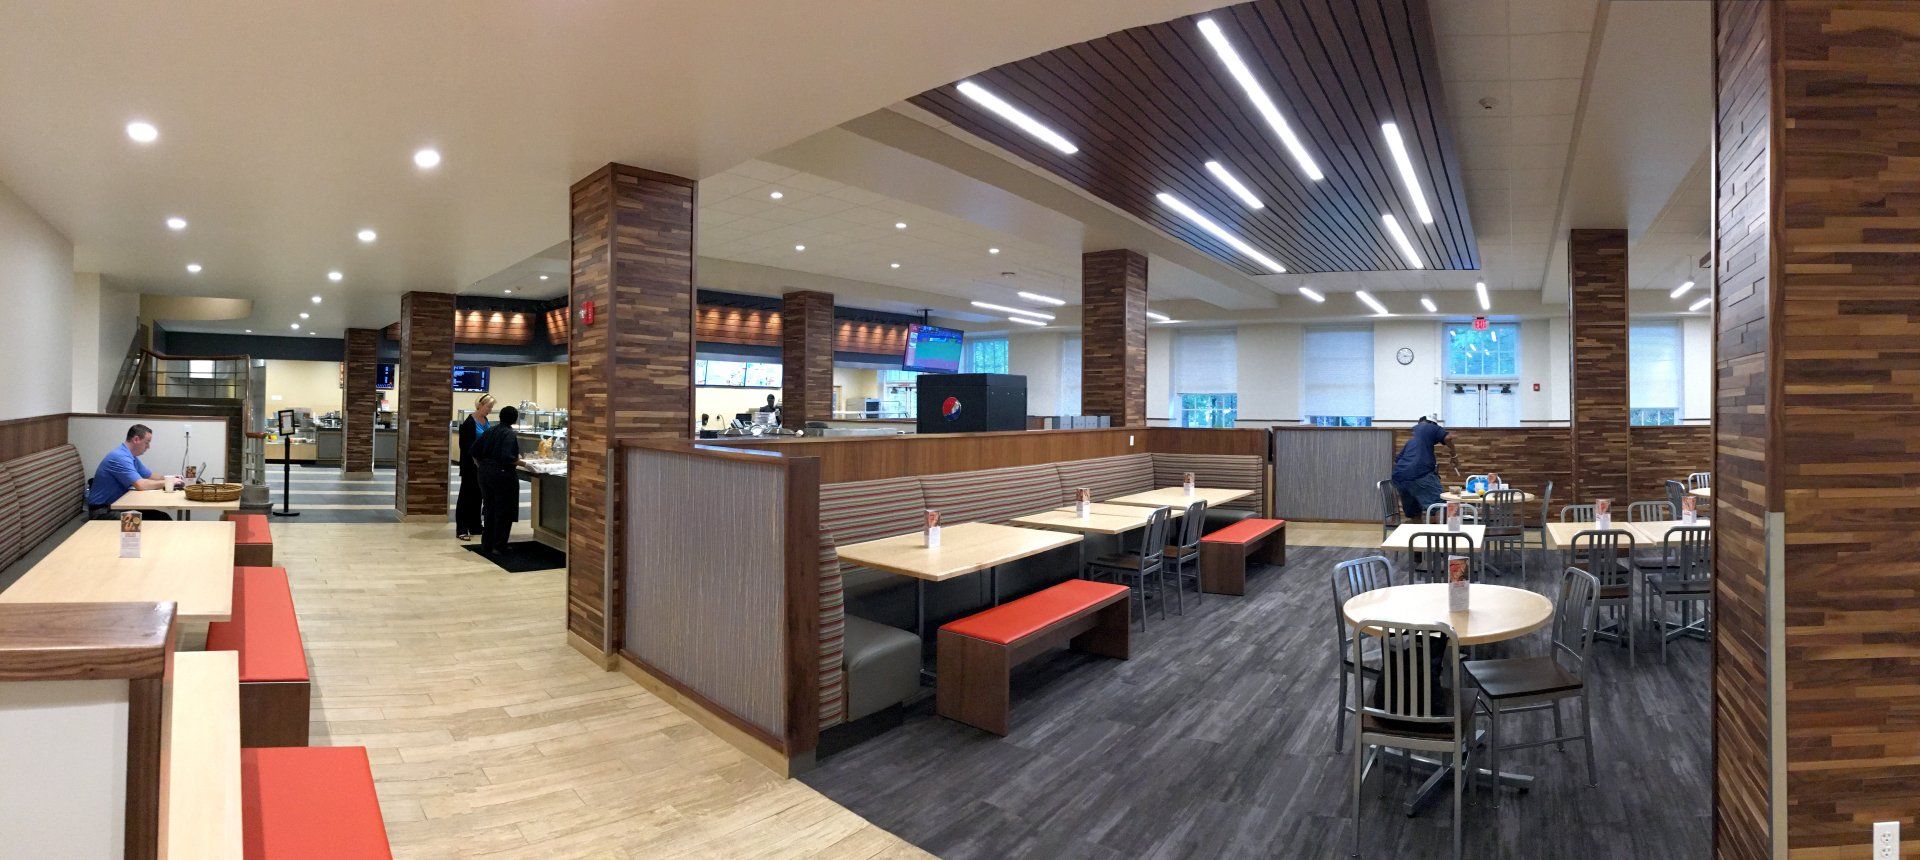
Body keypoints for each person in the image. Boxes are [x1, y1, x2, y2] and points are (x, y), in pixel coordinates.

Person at [86, 424, 178, 520]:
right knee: (160, 520)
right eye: (147, 442)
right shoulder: (120, 457)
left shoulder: (130, 456)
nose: (148, 447)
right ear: (136, 439)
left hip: (117, 506)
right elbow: (141, 485)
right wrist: (169, 483)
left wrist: (170, 478)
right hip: (102, 512)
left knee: (162, 517)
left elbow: (149, 475)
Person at [471, 405, 522, 555]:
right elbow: (507, 457)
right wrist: (523, 463)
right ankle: (500, 545)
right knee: (504, 511)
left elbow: (474, 450)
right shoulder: (509, 434)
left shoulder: (490, 430)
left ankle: (486, 544)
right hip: (503, 475)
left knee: (489, 508)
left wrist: (483, 465)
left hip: (485, 474)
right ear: (514, 419)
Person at [1390, 416, 1460, 520]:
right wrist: (1454, 456)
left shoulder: (1411, 442)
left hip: (1400, 478)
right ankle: (1442, 535)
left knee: (1414, 512)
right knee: (1441, 507)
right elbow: (1448, 437)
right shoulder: (1429, 426)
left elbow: (1397, 460)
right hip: (1420, 474)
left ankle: (1419, 535)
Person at [455, 394, 495, 541]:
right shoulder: (469, 423)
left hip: (483, 465)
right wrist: (477, 462)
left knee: (478, 495)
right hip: (471, 466)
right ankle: (462, 528)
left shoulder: (485, 421)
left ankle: (475, 525)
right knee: (466, 496)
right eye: (488, 406)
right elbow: (466, 447)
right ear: (480, 405)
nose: (490, 410)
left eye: (491, 407)